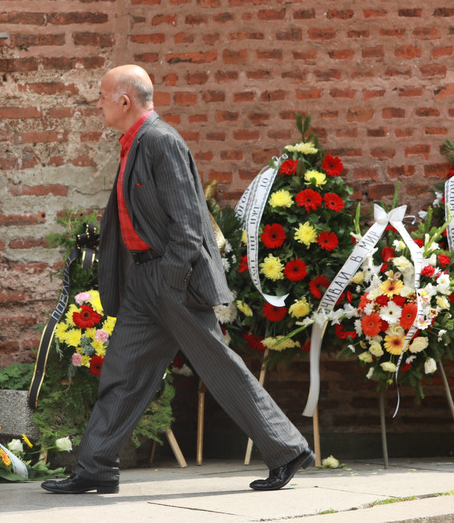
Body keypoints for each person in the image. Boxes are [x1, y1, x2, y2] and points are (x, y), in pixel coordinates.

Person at [41, 65, 313, 495]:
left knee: (219, 366)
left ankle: (287, 450)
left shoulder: (160, 141)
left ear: (125, 101)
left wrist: (171, 277)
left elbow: (189, 221)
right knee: (122, 373)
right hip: (142, 281)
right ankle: (96, 468)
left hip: (171, 279)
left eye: (102, 97)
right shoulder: (134, 142)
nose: (97, 104)